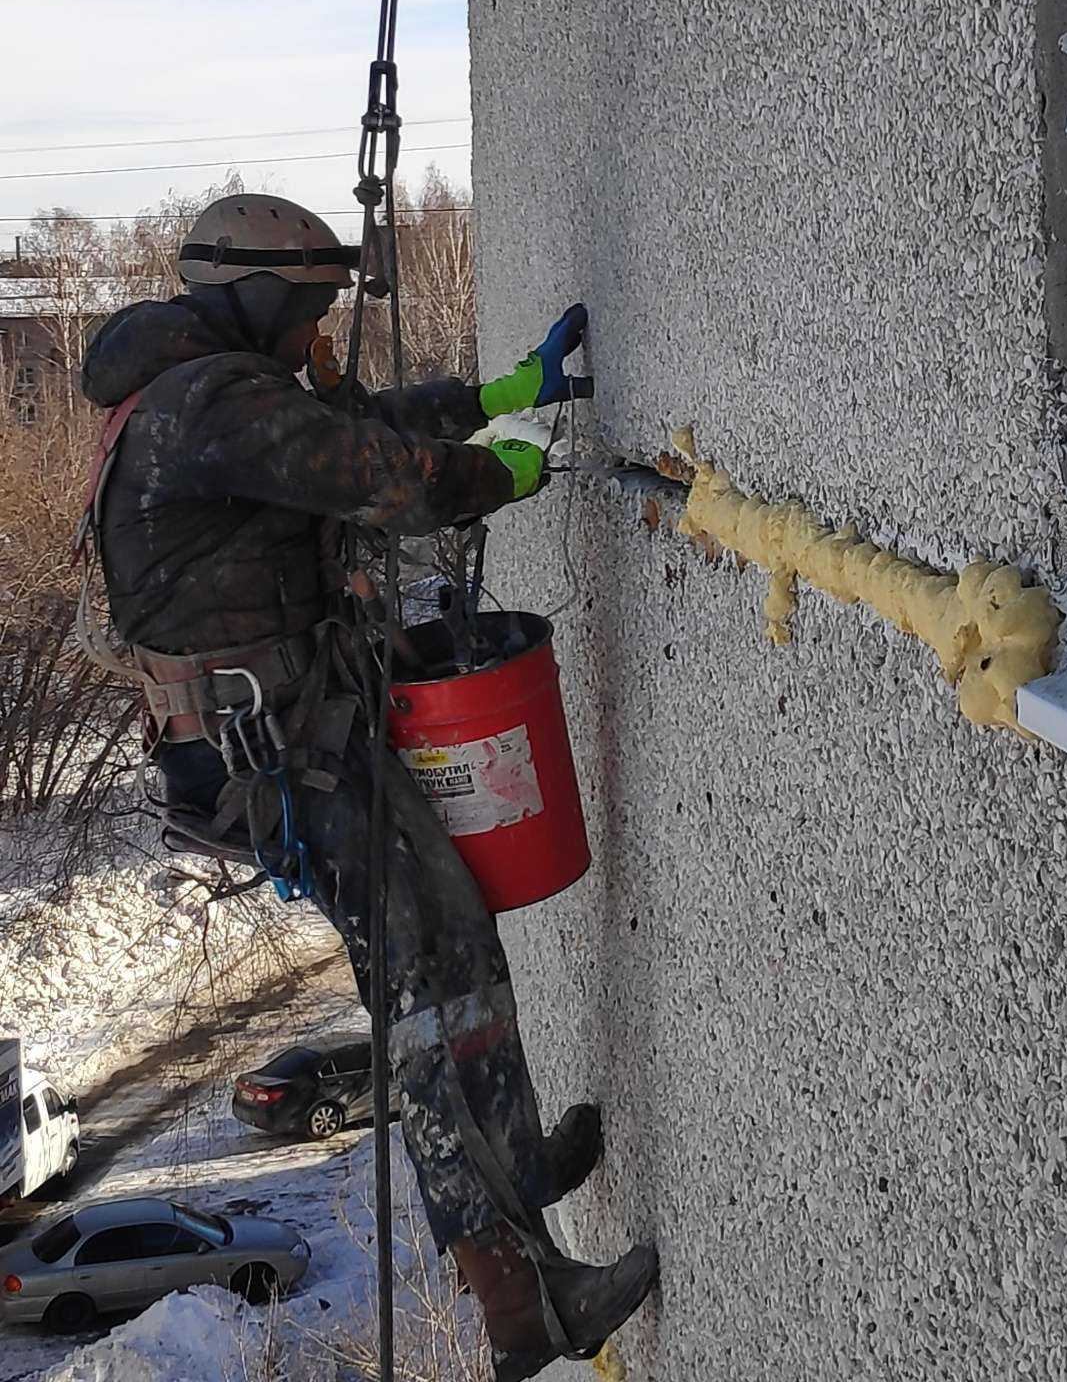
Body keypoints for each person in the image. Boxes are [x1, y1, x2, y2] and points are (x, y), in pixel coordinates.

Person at [77, 193, 657, 1379]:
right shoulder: (207, 405)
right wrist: (490, 475)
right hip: (276, 753)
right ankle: (523, 1301)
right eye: (311, 307)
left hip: (284, 734)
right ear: (257, 299)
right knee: (432, 975)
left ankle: (517, 1168)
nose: (319, 331)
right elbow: (386, 476)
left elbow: (360, 423)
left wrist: (498, 397)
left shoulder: (212, 385)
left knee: (449, 945)